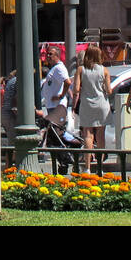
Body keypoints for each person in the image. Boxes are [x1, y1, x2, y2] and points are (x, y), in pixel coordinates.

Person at [73, 45, 113, 174]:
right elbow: (109, 90)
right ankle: (100, 167)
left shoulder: (81, 69)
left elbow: (76, 90)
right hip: (102, 104)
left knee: (88, 135)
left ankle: (88, 167)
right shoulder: (104, 70)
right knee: (100, 136)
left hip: (87, 104)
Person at [41, 48, 71, 128]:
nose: (48, 56)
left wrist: (61, 95)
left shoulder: (59, 68)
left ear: (57, 56)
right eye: (47, 54)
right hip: (52, 106)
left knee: (56, 131)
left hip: (57, 106)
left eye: (50, 54)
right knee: (53, 131)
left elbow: (67, 82)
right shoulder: (54, 68)